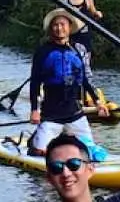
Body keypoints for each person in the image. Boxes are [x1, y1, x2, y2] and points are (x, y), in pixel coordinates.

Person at [27, 8, 111, 156]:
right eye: (55, 25)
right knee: (39, 151)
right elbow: (35, 83)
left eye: (63, 24)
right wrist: (35, 110)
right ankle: (35, 139)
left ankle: (66, 139)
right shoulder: (43, 52)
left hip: (75, 113)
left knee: (88, 152)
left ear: (69, 27)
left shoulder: (77, 50)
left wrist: (98, 102)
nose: (59, 28)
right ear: (51, 29)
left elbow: (84, 79)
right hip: (51, 114)